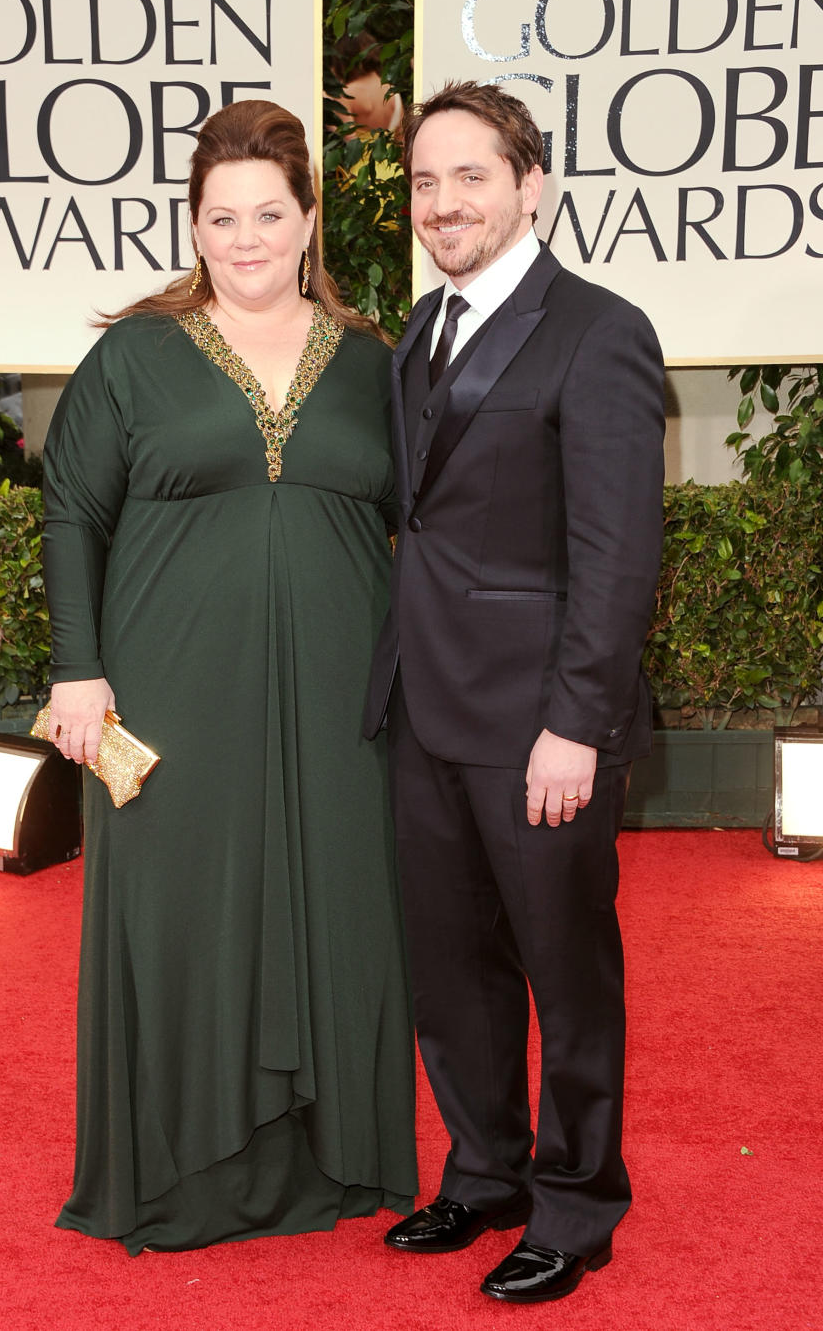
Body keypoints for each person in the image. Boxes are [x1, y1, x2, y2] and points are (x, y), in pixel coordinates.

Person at [42, 98, 418, 1255]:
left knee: (338, 903)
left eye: (269, 212)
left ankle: (333, 1160)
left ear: (310, 220)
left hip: (342, 697)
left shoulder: (375, 365)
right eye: (222, 216)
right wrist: (78, 672)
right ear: (194, 227)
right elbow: (72, 510)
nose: (246, 237)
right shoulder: (135, 355)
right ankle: (181, 1177)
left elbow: (435, 525)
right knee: (181, 912)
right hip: (170, 691)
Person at [364, 81, 665, 1303]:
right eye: (427, 183)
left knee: (564, 966)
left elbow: (618, 551)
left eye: (470, 177)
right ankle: (482, 1170)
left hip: (540, 722)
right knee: (453, 965)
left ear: (530, 184)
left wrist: (575, 724)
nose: (444, 203)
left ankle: (577, 1202)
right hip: (424, 707)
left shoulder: (600, 329)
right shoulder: (418, 336)